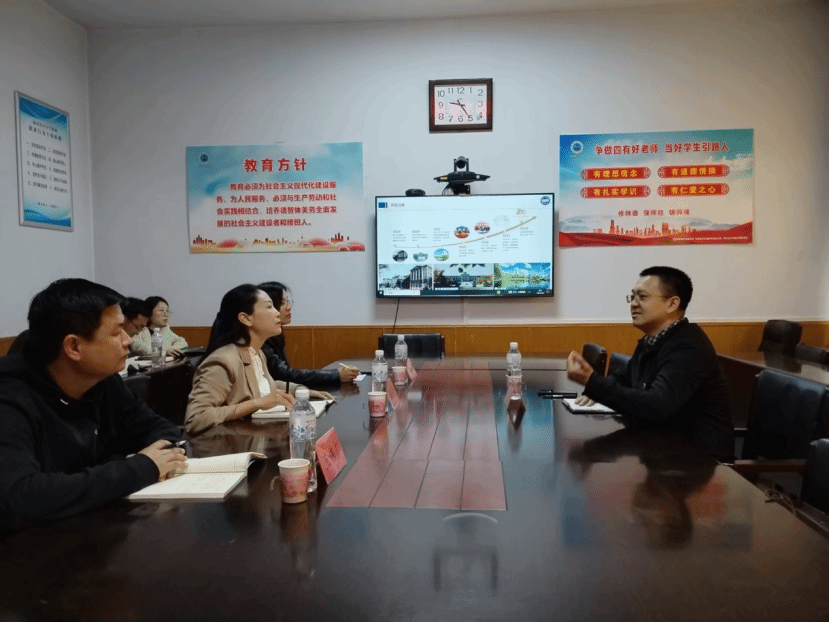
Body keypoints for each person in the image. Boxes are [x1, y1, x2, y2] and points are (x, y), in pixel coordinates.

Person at [0, 278, 187, 530]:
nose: (128, 340)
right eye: (116, 332)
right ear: (74, 347)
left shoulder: (102, 380)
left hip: (94, 529)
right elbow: (19, 497)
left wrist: (152, 459)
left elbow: (160, 429)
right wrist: (140, 468)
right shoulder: (10, 397)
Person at [566, 266, 734, 461]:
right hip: (662, 449)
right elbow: (625, 378)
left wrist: (593, 382)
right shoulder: (651, 340)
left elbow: (658, 406)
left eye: (642, 297)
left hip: (701, 463)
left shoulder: (688, 346)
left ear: (672, 304)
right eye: (632, 297)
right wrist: (597, 388)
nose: (633, 304)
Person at [185, 284, 332, 436]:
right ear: (246, 318)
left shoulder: (255, 352)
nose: (277, 313)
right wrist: (257, 403)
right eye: (269, 307)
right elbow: (195, 419)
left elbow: (263, 386)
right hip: (226, 445)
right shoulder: (223, 361)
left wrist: (300, 391)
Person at [257, 281, 359, 387]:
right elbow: (284, 375)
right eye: (282, 303)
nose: (288, 307)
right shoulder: (261, 339)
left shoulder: (276, 333)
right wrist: (336, 375)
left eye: (287, 302)